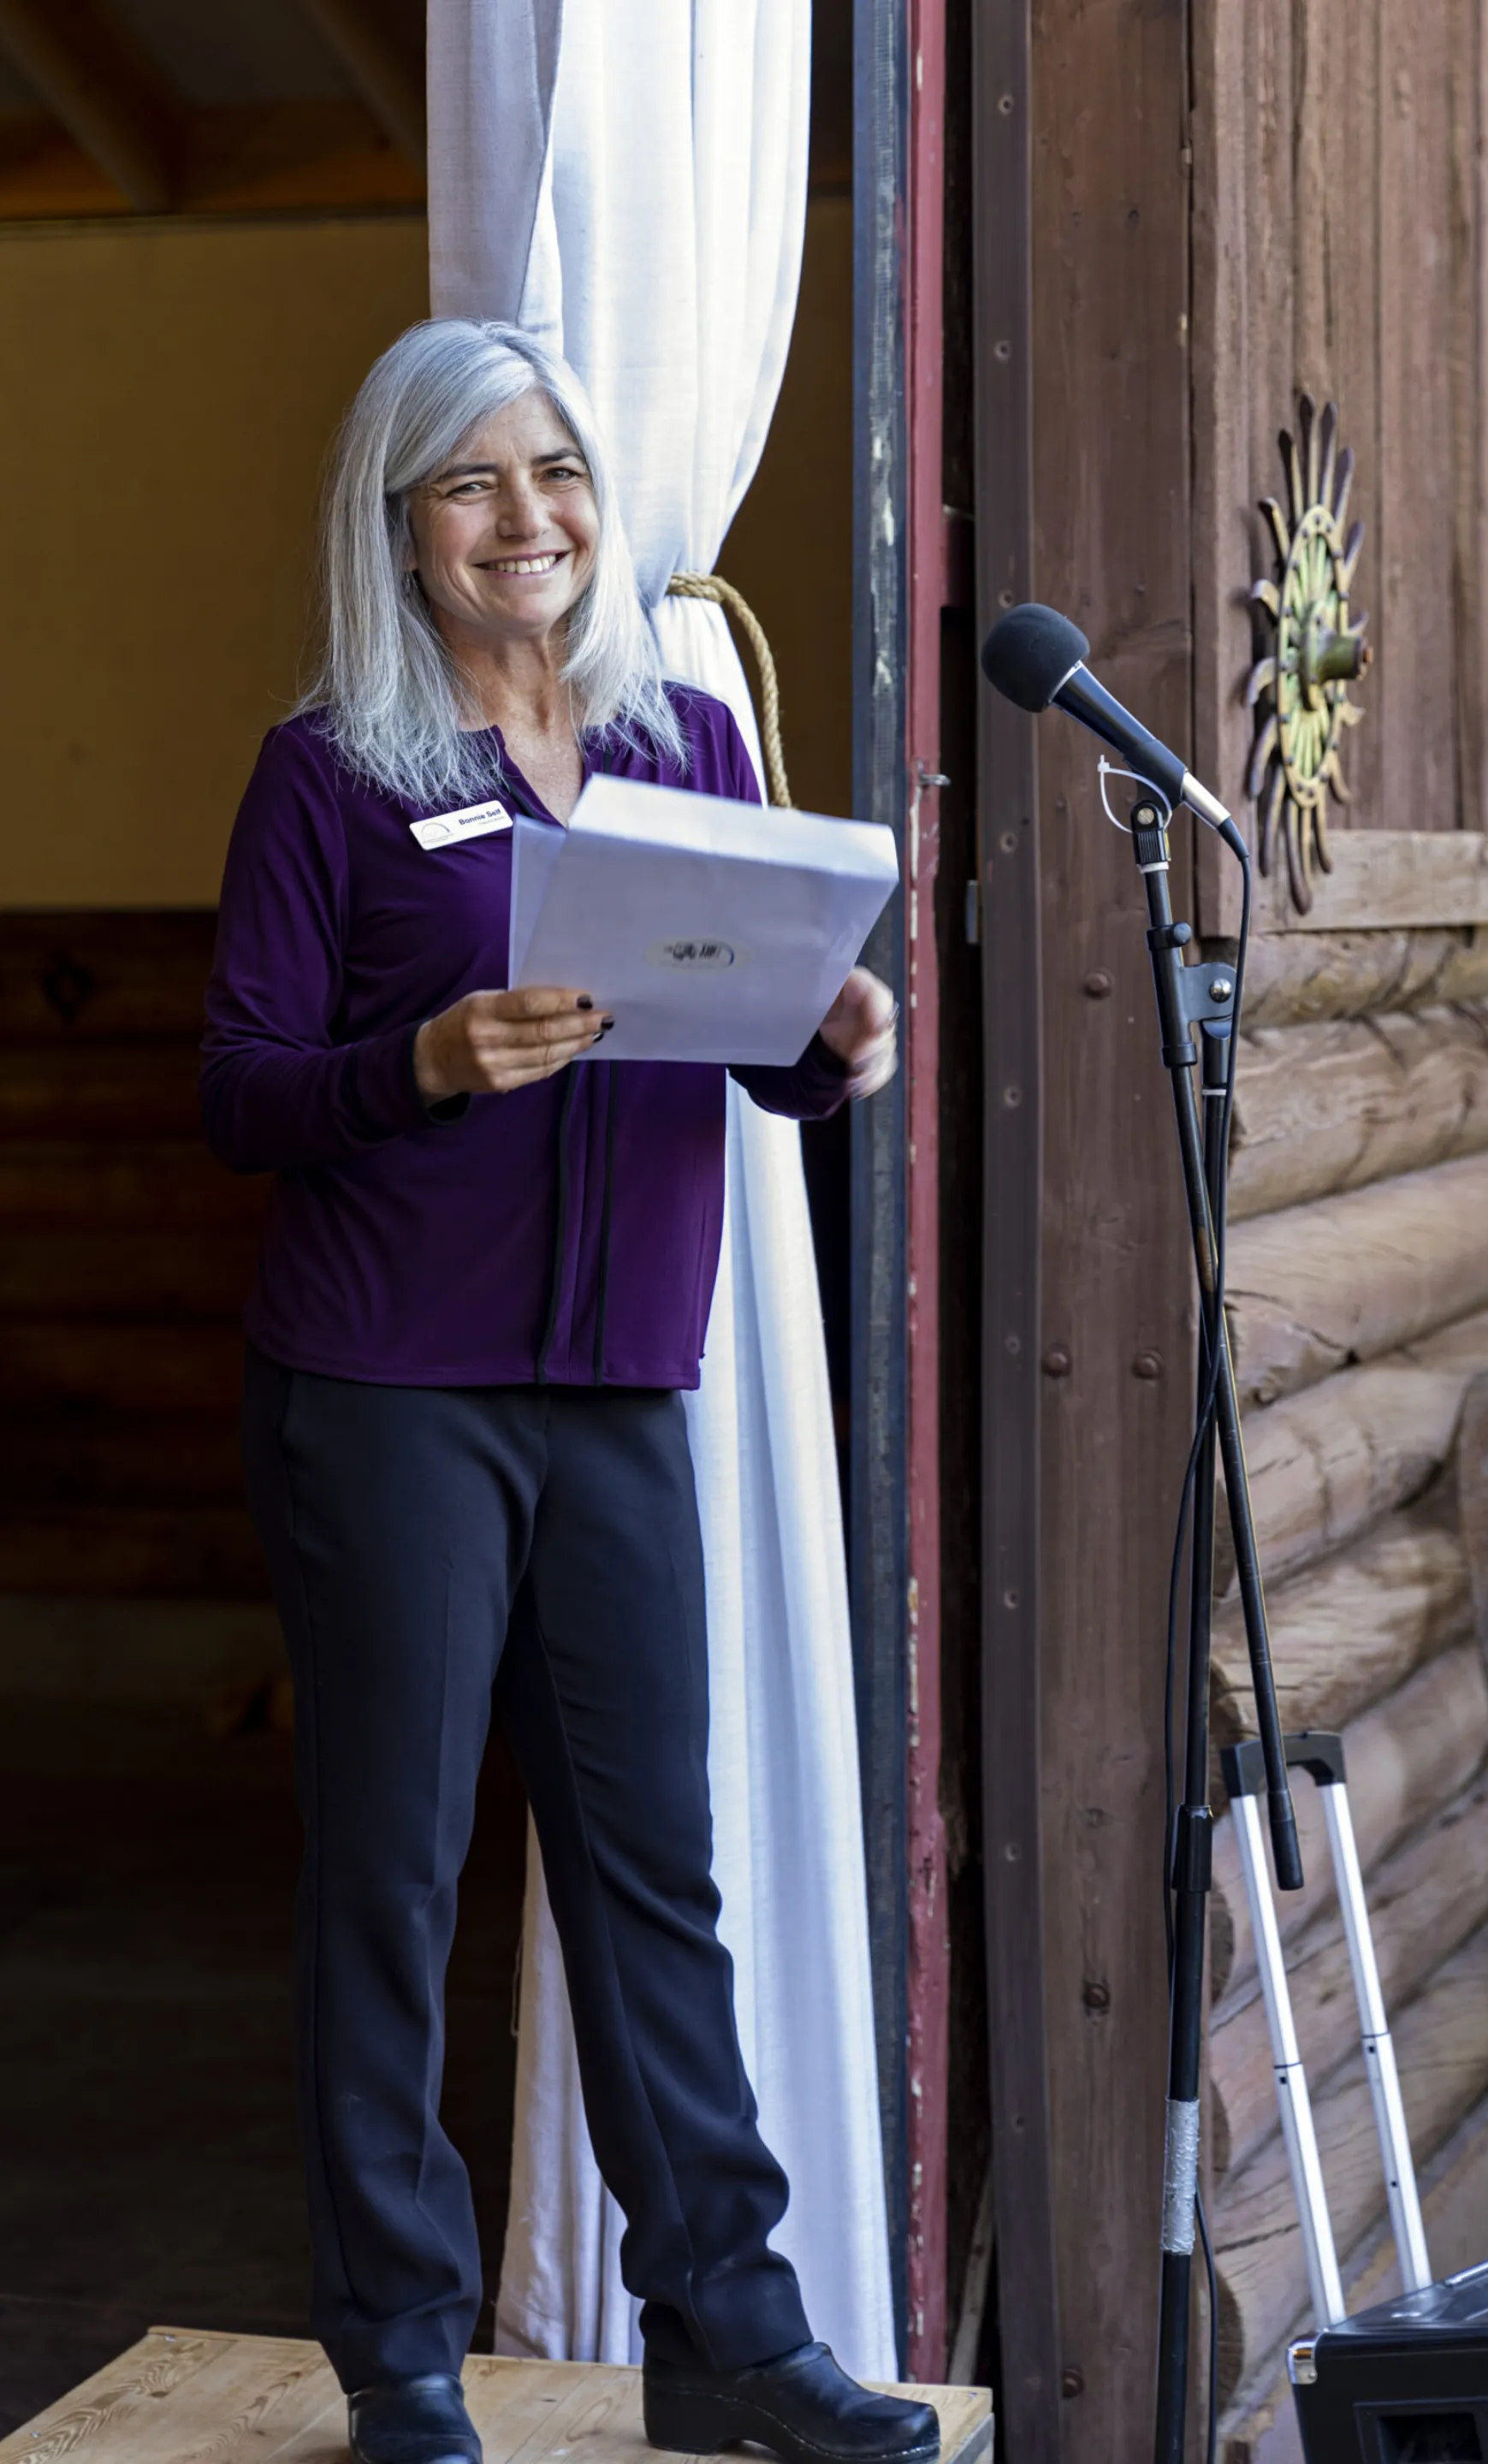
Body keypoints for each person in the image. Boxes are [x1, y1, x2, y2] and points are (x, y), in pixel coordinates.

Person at [202, 320, 935, 2464]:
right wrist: (417, 1064)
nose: (529, 520)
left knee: (653, 1870)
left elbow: (741, 1034)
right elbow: (243, 1095)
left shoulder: (685, 740)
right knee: (397, 1872)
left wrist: (832, 1043)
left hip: (619, 1376)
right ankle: (403, 2346)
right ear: (401, 525)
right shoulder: (335, 767)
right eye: (473, 485)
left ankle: (725, 2333)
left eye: (558, 477)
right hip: (386, 1387)